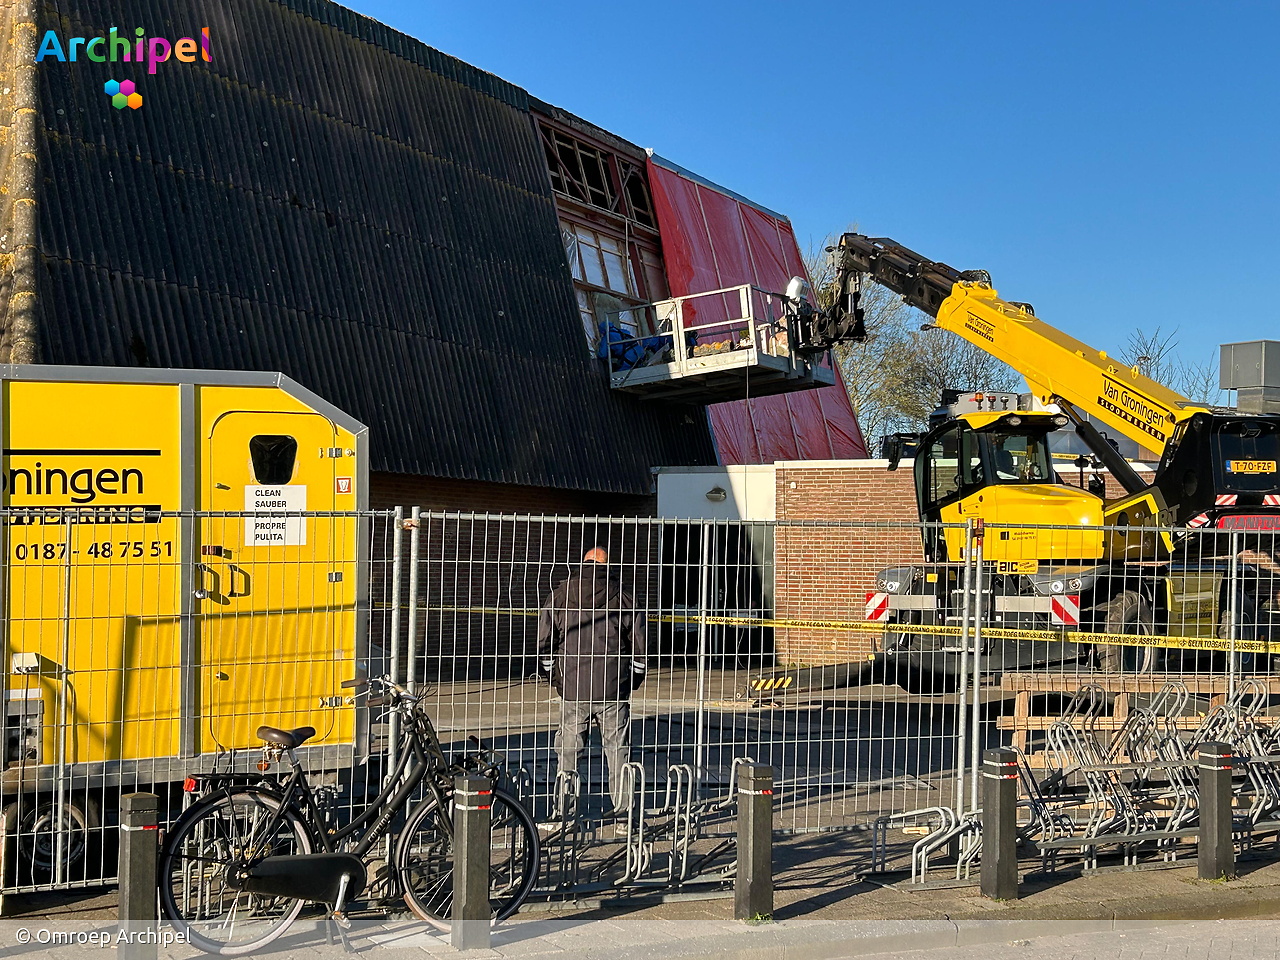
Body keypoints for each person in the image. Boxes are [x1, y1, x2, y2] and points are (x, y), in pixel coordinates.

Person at [537, 547, 647, 815]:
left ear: (583, 563)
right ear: (607, 565)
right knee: (618, 753)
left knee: (568, 754)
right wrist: (628, 682)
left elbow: (544, 645)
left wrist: (556, 678)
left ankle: (564, 813)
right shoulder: (624, 598)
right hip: (612, 690)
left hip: (573, 688)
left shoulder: (560, 596)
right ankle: (624, 816)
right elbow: (640, 649)